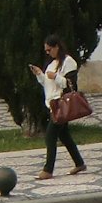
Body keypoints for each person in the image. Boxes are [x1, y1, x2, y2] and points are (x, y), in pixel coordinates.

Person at [29, 33, 86, 179]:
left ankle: (48, 170)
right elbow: (48, 84)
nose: (48, 53)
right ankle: (79, 163)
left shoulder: (68, 62)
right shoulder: (52, 64)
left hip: (61, 104)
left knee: (50, 136)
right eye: (46, 51)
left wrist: (55, 77)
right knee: (65, 136)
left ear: (57, 47)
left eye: (49, 50)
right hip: (52, 104)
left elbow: (70, 84)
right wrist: (40, 74)